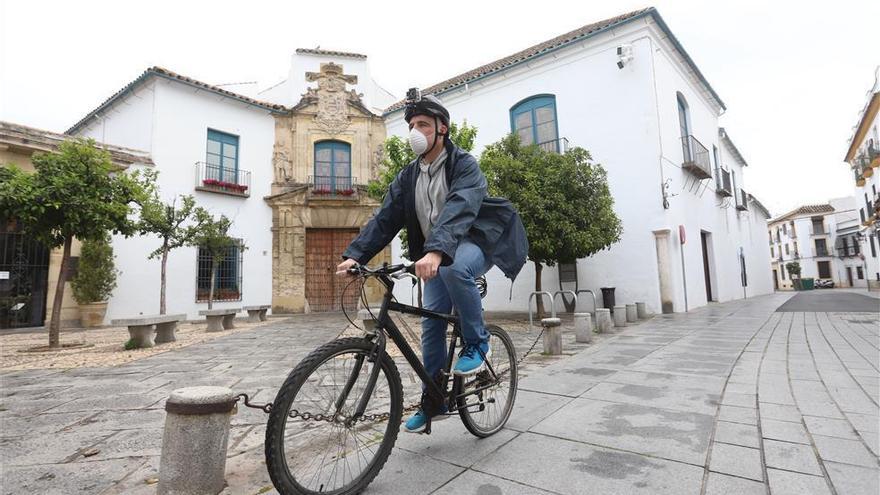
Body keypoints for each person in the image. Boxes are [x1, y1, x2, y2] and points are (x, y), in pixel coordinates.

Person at [336, 88, 528, 433]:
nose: (415, 132)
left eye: (423, 124)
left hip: (473, 242)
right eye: (411, 124)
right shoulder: (408, 176)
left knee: (456, 267)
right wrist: (355, 254)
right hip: (434, 253)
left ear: (442, 129)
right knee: (432, 326)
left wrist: (437, 251)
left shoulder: (464, 165)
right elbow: (385, 217)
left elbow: (459, 208)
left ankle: (477, 340)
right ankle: (433, 400)